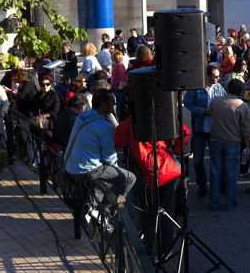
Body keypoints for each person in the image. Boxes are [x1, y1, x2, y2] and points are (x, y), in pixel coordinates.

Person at [114, 112, 189, 256]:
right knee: (167, 213)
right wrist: (176, 150)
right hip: (167, 171)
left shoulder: (129, 123)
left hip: (144, 175)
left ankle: (151, 249)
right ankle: (165, 249)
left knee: (148, 212)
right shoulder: (162, 117)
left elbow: (115, 141)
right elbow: (184, 131)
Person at [64, 90, 136, 219]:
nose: (114, 106)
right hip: (85, 170)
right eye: (112, 104)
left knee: (106, 173)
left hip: (71, 166)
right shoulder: (104, 127)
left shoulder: (83, 116)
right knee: (129, 178)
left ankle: (91, 204)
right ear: (104, 106)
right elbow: (109, 157)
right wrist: (116, 169)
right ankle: (103, 212)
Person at [207, 79, 250, 211]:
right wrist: (247, 146)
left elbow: (210, 112)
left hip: (215, 141)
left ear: (227, 89)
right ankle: (229, 203)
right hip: (232, 143)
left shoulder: (216, 101)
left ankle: (213, 203)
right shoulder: (242, 106)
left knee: (215, 173)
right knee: (231, 174)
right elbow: (246, 128)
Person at [183, 65, 226, 197]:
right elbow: (188, 104)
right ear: (207, 77)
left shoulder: (219, 87)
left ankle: (218, 183)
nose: (218, 78)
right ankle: (201, 184)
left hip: (214, 129)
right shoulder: (196, 88)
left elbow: (224, 101)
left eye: (219, 76)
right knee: (198, 159)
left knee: (217, 157)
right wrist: (203, 112)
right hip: (199, 128)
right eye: (215, 76)